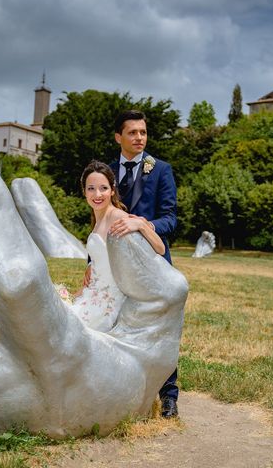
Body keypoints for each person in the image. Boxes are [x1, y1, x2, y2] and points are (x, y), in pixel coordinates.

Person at [109, 109, 180, 419]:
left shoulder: (161, 170)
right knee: (116, 325)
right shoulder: (107, 173)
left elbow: (171, 219)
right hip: (115, 266)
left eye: (143, 132)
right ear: (118, 137)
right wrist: (91, 263)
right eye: (133, 132)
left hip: (152, 262)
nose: (139, 137)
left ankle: (169, 396)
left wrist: (142, 224)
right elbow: (98, 219)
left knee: (163, 330)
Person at [68, 161, 165, 332]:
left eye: (103, 188)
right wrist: (92, 266)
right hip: (92, 292)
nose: (97, 194)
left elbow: (160, 248)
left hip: (108, 302)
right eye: (91, 188)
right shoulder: (98, 219)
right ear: (84, 191)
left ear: (112, 190)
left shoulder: (118, 217)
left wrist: (141, 225)